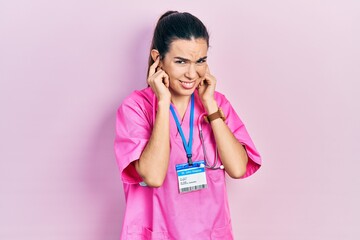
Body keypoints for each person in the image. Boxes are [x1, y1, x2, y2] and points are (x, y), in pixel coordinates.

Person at [114, 10, 261, 240]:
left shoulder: (216, 103)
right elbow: (153, 176)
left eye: (200, 61)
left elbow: (238, 168)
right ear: (157, 58)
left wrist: (211, 106)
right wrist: (163, 103)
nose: (192, 73)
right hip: (155, 233)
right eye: (181, 61)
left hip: (210, 233)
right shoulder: (136, 107)